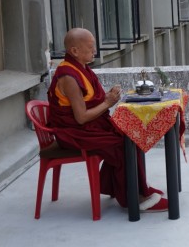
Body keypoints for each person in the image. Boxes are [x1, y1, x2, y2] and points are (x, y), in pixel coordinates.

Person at [47, 27, 167, 212]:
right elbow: (80, 118)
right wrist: (107, 103)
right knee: (121, 145)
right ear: (75, 51)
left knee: (129, 136)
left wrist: (106, 98)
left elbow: (90, 101)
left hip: (88, 127)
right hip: (73, 133)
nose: (95, 51)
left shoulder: (81, 69)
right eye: (90, 47)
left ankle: (131, 186)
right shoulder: (69, 77)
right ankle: (136, 198)